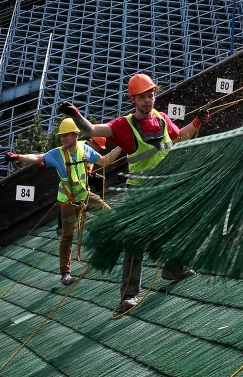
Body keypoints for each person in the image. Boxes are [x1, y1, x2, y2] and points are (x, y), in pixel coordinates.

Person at [59, 73, 210, 309]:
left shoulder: (161, 119)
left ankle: (174, 269)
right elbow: (91, 130)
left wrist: (197, 123)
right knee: (135, 241)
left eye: (150, 95)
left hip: (164, 187)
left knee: (174, 227)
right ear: (133, 99)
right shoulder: (124, 125)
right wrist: (76, 115)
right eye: (142, 97)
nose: (147, 100)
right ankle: (129, 295)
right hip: (139, 192)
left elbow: (179, 137)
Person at [7, 118, 121, 285]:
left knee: (110, 215)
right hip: (68, 201)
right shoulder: (56, 154)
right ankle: (65, 274)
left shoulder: (84, 149)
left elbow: (105, 161)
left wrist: (121, 146)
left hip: (85, 196)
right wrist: (18, 156)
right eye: (62, 136)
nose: (63, 138)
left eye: (66, 135)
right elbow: (37, 157)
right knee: (67, 236)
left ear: (75, 135)